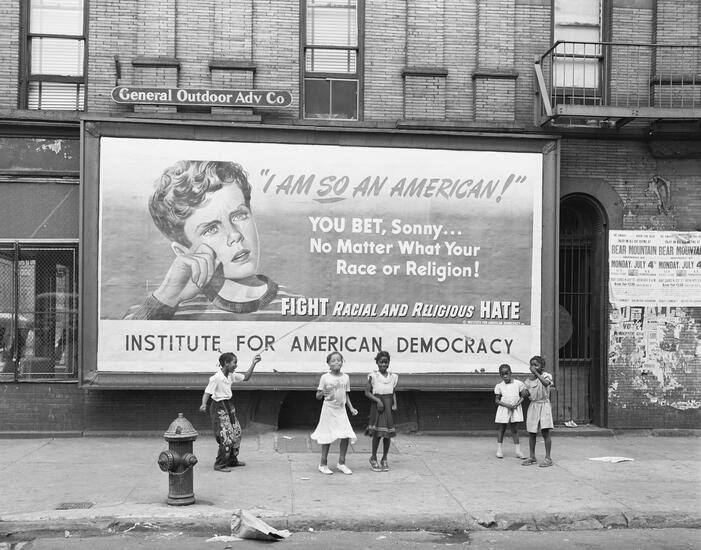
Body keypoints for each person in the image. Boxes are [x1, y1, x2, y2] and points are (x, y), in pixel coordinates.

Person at [125, 160, 299, 320]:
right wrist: (166, 296)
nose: (235, 235)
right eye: (211, 229)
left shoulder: (300, 308)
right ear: (183, 252)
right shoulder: (162, 308)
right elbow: (123, 341)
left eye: (239, 216)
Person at [199, 351, 261, 472]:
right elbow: (207, 392)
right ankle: (220, 464)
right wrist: (203, 404)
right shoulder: (216, 378)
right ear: (226, 363)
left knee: (237, 433)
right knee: (226, 436)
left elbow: (246, 377)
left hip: (228, 405)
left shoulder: (231, 375)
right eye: (234, 363)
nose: (236, 365)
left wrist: (253, 363)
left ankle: (232, 460)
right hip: (218, 407)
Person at [310, 351, 358, 475]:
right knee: (327, 437)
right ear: (328, 364)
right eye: (333, 360)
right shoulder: (325, 377)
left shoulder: (346, 377)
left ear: (342, 362)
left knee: (346, 435)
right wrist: (322, 393)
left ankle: (341, 463)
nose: (336, 362)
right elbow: (318, 396)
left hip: (341, 410)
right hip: (328, 410)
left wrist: (351, 408)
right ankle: (323, 464)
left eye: (339, 360)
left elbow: (346, 394)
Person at [364, 350, 398, 472]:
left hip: (388, 406)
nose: (383, 364)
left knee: (387, 434)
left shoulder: (393, 377)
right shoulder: (373, 376)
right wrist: (378, 401)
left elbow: (393, 392)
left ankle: (384, 458)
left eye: (386, 362)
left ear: (389, 363)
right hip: (378, 407)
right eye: (381, 362)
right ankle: (373, 458)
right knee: (378, 434)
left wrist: (395, 404)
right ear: (377, 363)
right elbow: (367, 392)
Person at [520, 355, 554, 467]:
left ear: (542, 367)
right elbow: (526, 394)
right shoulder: (528, 380)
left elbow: (546, 383)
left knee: (545, 431)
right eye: (531, 365)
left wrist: (536, 374)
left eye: (536, 365)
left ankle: (548, 458)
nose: (533, 367)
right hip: (534, 406)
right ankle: (532, 457)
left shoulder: (546, 376)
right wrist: (524, 393)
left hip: (544, 405)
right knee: (532, 432)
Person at [493, 363, 525, 459]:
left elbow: (523, 396)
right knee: (502, 429)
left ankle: (518, 451)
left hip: (514, 408)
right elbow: (497, 400)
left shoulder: (518, 384)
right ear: (500, 375)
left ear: (511, 373)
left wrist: (517, 404)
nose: (505, 376)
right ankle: (499, 450)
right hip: (504, 408)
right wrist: (508, 405)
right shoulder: (499, 386)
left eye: (507, 373)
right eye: (502, 374)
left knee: (514, 429)